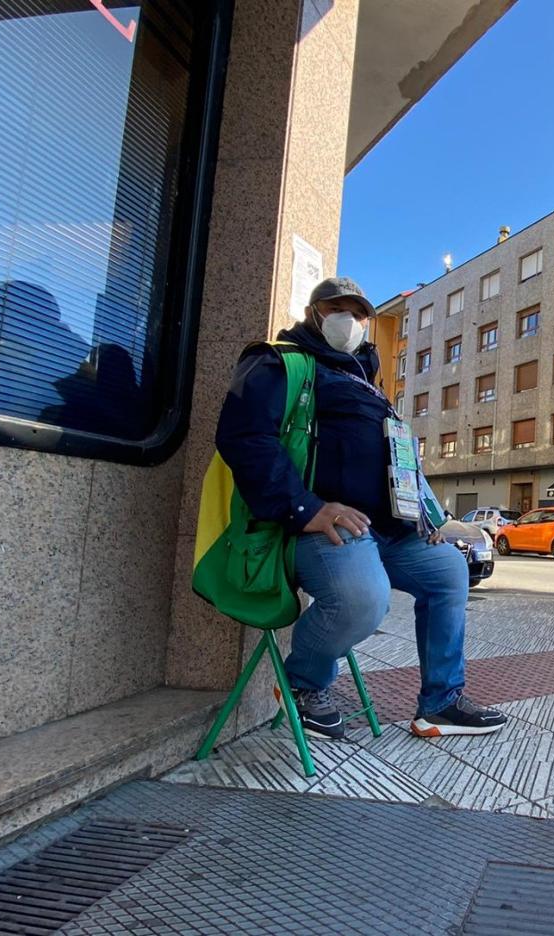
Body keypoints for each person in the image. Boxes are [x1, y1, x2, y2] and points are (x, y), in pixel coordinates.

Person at [215, 276, 507, 740]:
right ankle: (304, 683)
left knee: (449, 570)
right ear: (314, 312)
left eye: (358, 312)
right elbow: (244, 438)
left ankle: (440, 703)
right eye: (337, 308)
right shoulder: (280, 362)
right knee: (363, 599)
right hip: (317, 529)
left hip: (387, 533)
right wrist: (304, 509)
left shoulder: (367, 383)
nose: (348, 320)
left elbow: (397, 455)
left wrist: (426, 517)